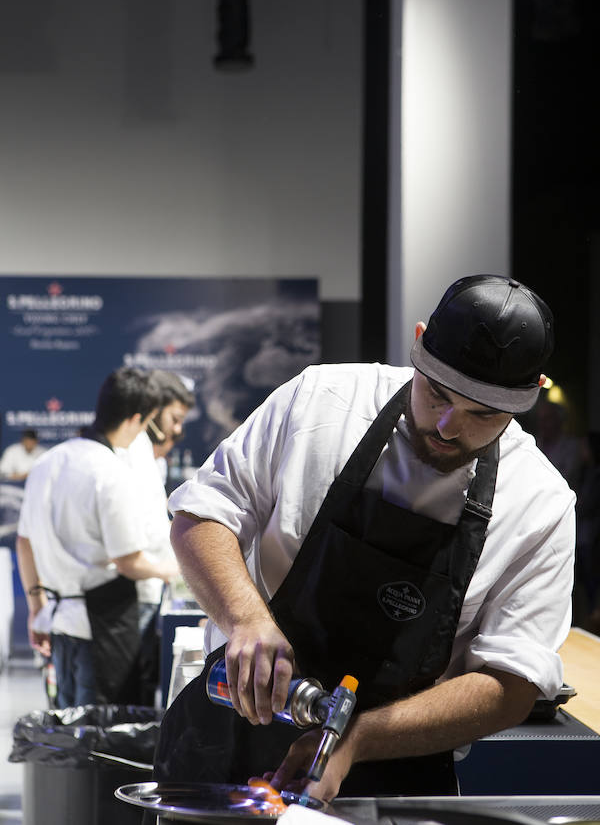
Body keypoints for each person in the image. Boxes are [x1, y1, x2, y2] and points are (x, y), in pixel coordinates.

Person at [154, 274, 575, 801]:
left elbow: (512, 685)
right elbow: (201, 513)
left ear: (530, 395)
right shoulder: (321, 402)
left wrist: (355, 739)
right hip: (232, 734)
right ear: (418, 343)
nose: (446, 426)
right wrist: (245, 619)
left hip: (398, 766)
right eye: (436, 394)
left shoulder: (539, 502)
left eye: (482, 414)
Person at [16, 367, 179, 708]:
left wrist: (36, 611)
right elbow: (129, 562)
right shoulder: (110, 472)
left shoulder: (48, 462)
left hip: (59, 620)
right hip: (103, 625)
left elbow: (24, 543)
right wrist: (173, 571)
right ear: (136, 419)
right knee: (105, 738)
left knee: (67, 729)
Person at [118, 370, 195, 705]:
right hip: (135, 592)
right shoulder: (131, 452)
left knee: (144, 692)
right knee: (131, 697)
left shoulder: (149, 456)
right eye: (174, 418)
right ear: (154, 410)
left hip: (149, 591)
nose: (178, 429)